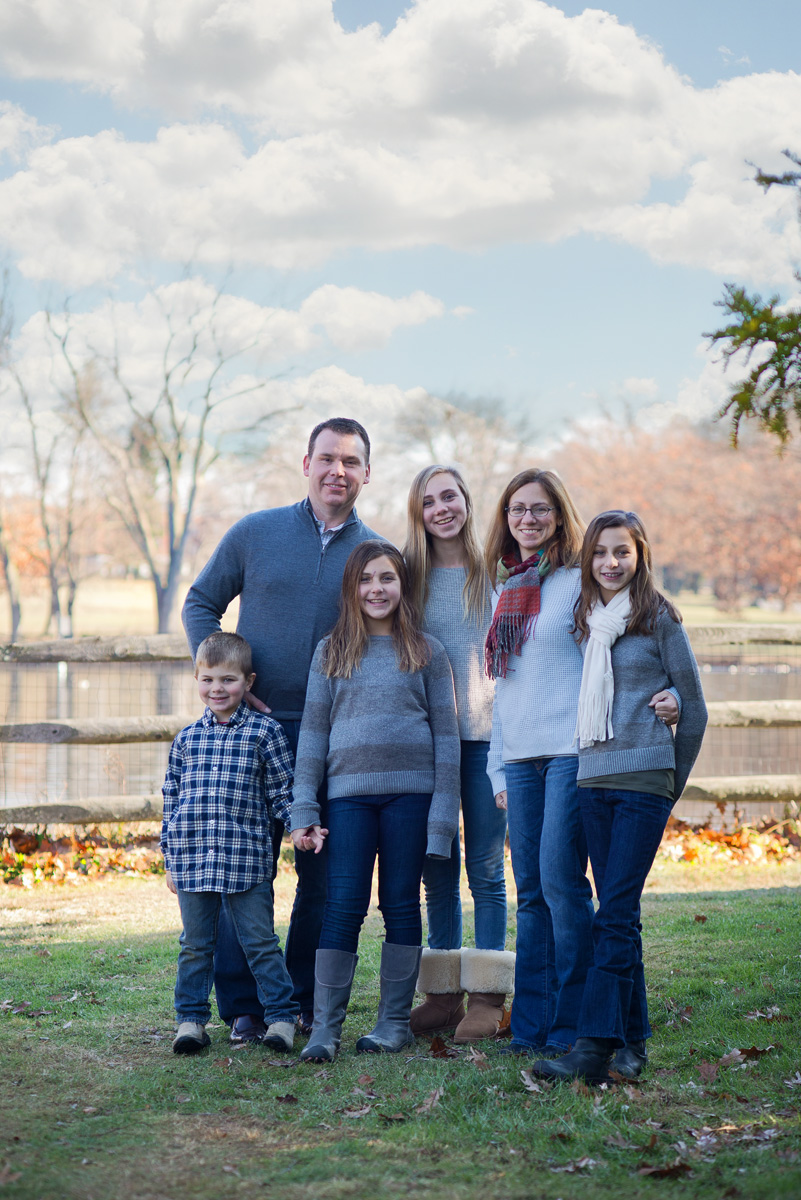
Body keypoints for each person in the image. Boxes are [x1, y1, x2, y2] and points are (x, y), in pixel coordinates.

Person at [182, 417, 381, 1042]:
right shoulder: (255, 533)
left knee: (320, 876)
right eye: (327, 458)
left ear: (366, 474)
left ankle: (292, 1002)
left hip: (331, 739)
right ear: (306, 462)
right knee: (244, 869)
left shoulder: (373, 555)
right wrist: (231, 680)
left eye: (350, 462)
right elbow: (199, 603)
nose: (337, 471)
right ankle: (241, 1006)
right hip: (250, 734)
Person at [484, 470, 679, 1058]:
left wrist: (671, 697)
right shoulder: (501, 591)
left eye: (540, 509)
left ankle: (575, 1025)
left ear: (560, 516)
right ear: (506, 517)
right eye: (518, 509)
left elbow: (624, 657)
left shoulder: (577, 584)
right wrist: (496, 766)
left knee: (563, 887)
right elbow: (504, 688)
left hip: (573, 753)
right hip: (518, 757)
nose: (528, 519)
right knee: (530, 890)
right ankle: (532, 1027)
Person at [532, 511, 707, 1084]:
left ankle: (592, 1048)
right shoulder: (587, 621)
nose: (611, 563)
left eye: (622, 552)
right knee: (618, 918)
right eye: (601, 552)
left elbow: (696, 709)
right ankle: (633, 1041)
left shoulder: (659, 620)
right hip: (593, 780)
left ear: (640, 556)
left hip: (642, 784)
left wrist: (668, 787)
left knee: (615, 913)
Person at [289, 541, 461, 1063]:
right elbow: (313, 737)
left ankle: (392, 1023)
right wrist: (304, 810)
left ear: (402, 585)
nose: (376, 589)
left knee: (401, 905)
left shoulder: (427, 651)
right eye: (366, 580)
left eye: (386, 578)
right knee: (342, 906)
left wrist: (441, 821)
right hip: (348, 801)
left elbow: (448, 741)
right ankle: (325, 1029)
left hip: (412, 797)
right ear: (351, 589)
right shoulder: (332, 650)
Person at [403, 465, 514, 1042]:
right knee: (436, 869)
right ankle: (443, 997)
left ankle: (488, 998)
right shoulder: (408, 576)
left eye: (450, 496)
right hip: (428, 745)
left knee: (487, 870)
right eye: (429, 501)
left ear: (467, 501)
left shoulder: (495, 570)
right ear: (417, 513)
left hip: (489, 741)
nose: (442, 508)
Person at [161, 632, 298, 1055]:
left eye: (228, 680)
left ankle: (280, 1018)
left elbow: (282, 793)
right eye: (207, 680)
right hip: (193, 860)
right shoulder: (186, 739)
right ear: (196, 679)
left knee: (259, 943)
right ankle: (190, 1021)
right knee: (195, 946)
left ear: (248, 681)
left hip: (247, 861)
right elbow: (172, 798)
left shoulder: (265, 733)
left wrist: (301, 827)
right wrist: (169, 857)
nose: (217, 689)